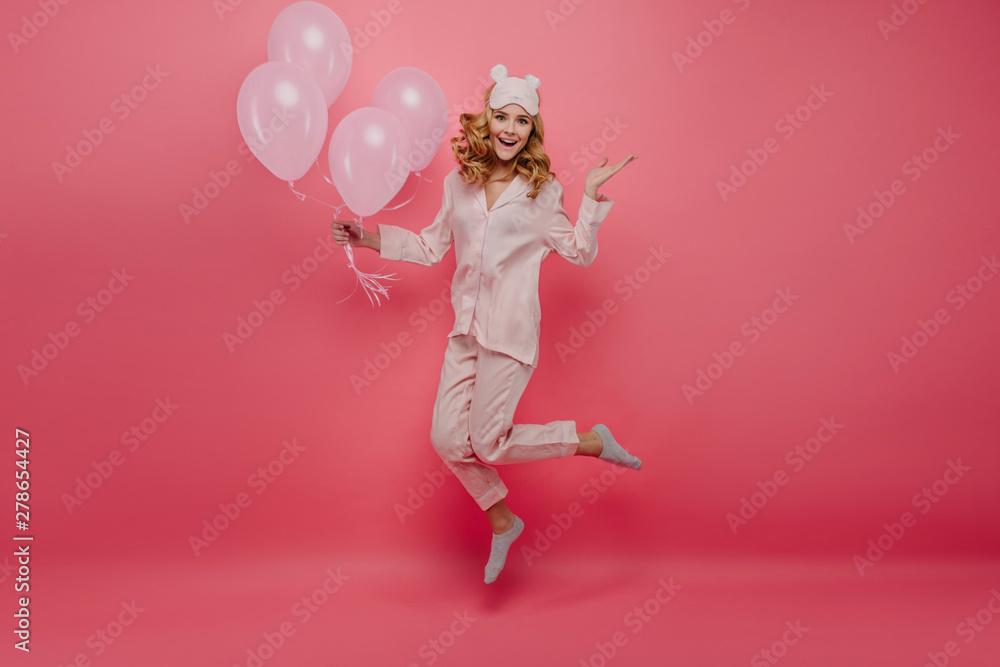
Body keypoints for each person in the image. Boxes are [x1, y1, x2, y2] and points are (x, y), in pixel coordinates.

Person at [332, 64, 641, 583]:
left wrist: (588, 196)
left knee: (489, 442)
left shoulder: (543, 193)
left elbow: (580, 252)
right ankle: (503, 520)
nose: (510, 129)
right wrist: (369, 238)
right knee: (448, 440)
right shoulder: (459, 184)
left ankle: (590, 440)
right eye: (502, 116)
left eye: (522, 122)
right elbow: (432, 247)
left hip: (511, 334)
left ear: (531, 133)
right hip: (466, 332)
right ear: (488, 120)